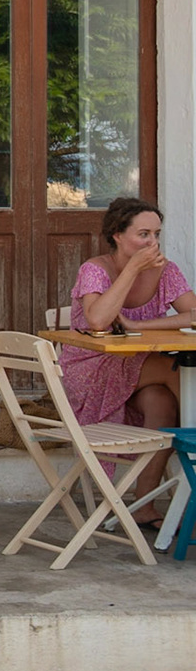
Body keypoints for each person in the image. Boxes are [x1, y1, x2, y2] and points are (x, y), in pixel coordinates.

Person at [59, 196, 196, 525]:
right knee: (176, 369)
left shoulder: (166, 271)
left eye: (156, 234)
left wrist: (139, 326)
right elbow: (98, 320)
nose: (153, 243)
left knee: (163, 405)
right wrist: (133, 268)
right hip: (92, 368)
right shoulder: (95, 270)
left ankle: (144, 505)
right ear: (118, 235)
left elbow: (194, 313)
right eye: (143, 234)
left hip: (140, 369)